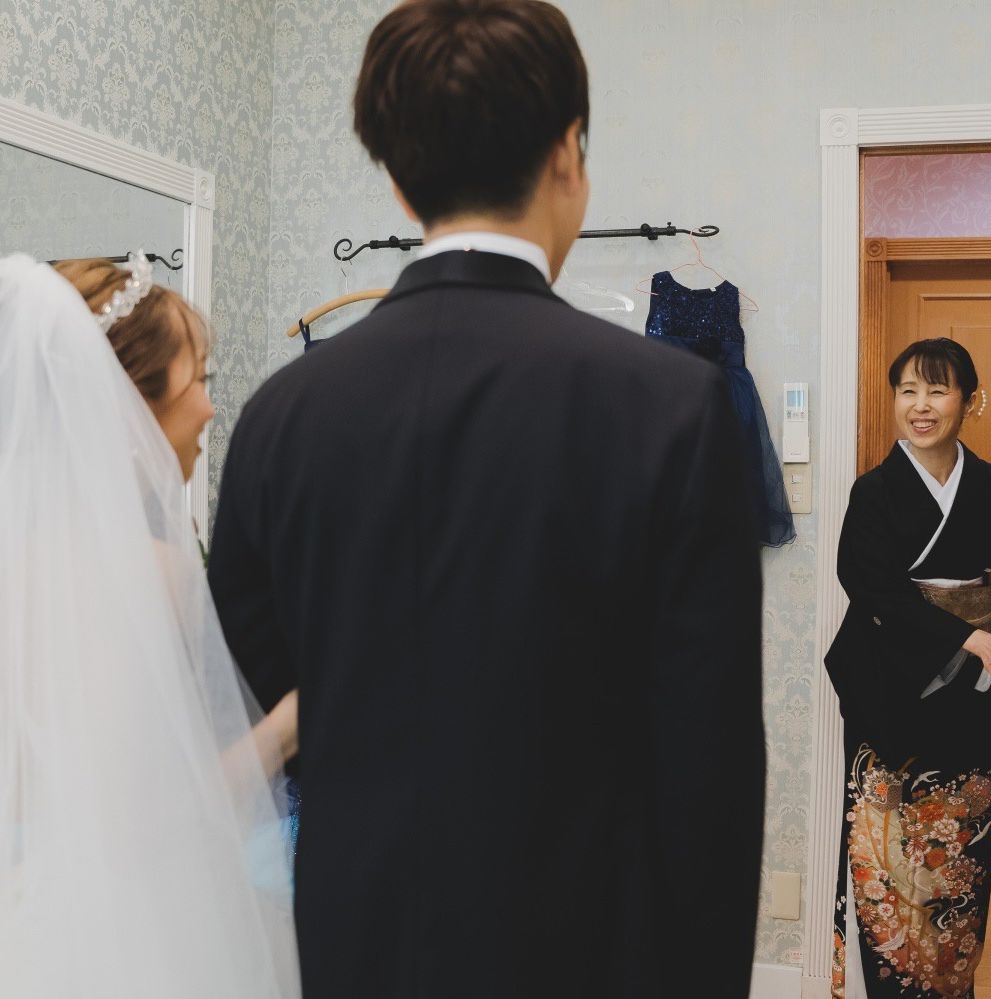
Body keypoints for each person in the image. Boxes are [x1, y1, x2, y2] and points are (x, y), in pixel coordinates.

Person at [207, 2, 766, 997]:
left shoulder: (279, 416)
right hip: (588, 950)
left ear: (396, 178)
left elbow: (263, 675)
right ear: (568, 155)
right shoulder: (672, 408)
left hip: (353, 943)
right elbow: (706, 770)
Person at [0, 252, 300, 997]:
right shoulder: (145, 570)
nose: (210, 409)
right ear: (130, 403)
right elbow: (149, 815)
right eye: (200, 380)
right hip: (126, 933)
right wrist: (294, 720)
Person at [824, 338, 991, 997]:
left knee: (959, 855)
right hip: (886, 687)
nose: (921, 405)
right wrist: (965, 637)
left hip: (973, 693)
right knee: (881, 856)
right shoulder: (875, 491)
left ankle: (950, 985)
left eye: (937, 390)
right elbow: (870, 585)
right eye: (908, 390)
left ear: (969, 400)